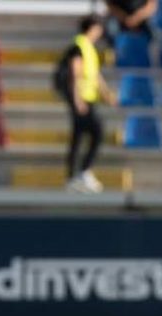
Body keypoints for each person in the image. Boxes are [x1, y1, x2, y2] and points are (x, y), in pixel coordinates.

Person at [59, 15, 114, 193]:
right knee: (97, 132)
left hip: (87, 97)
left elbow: (95, 75)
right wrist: (77, 100)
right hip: (81, 99)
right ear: (92, 28)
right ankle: (82, 172)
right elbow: (75, 74)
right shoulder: (79, 46)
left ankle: (73, 177)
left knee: (78, 136)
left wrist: (106, 94)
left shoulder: (89, 48)